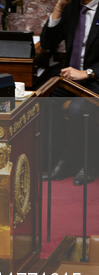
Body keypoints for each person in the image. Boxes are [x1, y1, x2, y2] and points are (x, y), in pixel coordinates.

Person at [40, 0, 99, 185]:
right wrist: (59, 7)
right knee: (43, 100)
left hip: (95, 79)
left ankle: (88, 163)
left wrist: (87, 73)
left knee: (77, 110)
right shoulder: (72, 8)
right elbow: (47, 43)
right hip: (71, 78)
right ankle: (61, 158)